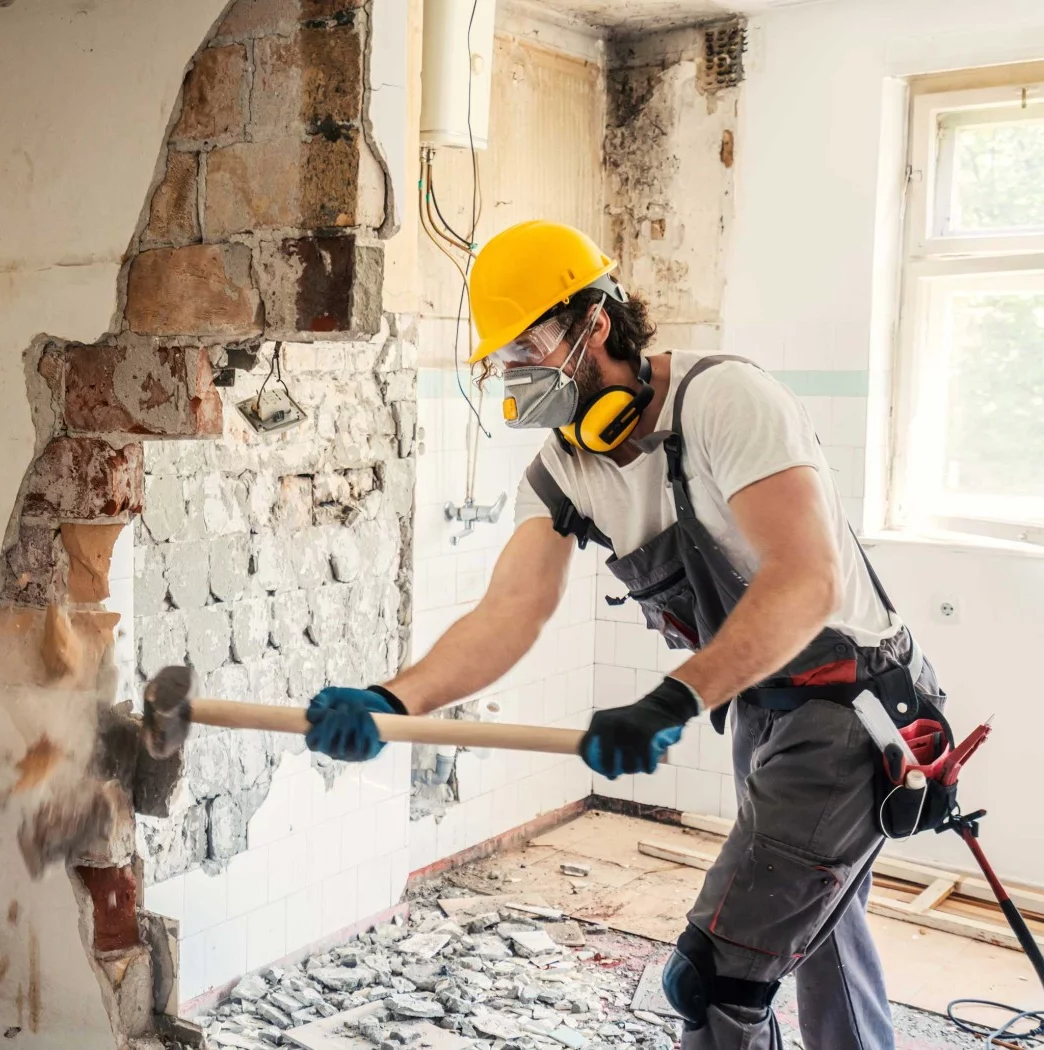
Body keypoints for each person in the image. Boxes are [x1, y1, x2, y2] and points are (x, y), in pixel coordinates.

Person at [302, 220, 948, 1049]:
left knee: (716, 976)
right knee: (814, 930)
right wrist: (393, 699)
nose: (515, 373)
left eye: (529, 346)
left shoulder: (724, 401)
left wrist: (672, 701)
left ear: (593, 324)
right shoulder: (566, 466)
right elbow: (509, 611)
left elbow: (808, 579)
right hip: (763, 715)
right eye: (504, 358)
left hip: (850, 711)